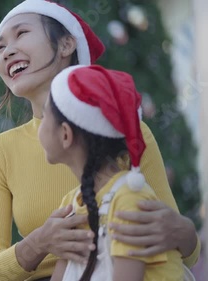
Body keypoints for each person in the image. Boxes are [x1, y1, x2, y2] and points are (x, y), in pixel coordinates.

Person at [0, 0, 200, 280]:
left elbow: (185, 253)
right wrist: (38, 244)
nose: (7, 51)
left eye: (21, 33)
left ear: (67, 44)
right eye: (0, 47)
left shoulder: (130, 130)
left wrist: (185, 233)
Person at [39, 64, 187, 281]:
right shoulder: (71, 204)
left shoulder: (129, 200)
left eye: (44, 117)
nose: (39, 125)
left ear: (65, 135)